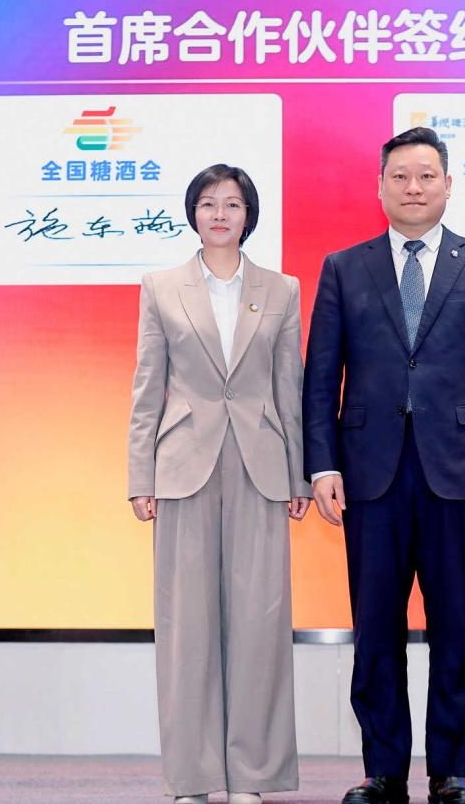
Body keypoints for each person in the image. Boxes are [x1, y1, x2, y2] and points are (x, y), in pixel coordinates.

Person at [303, 128, 465, 804]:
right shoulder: (344, 267)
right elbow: (320, 379)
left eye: (426, 175)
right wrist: (321, 465)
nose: (413, 187)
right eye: (399, 176)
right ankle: (382, 770)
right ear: (379, 186)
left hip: (456, 471)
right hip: (367, 474)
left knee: (454, 625)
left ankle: (450, 771)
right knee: (376, 626)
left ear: (447, 185)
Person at [128, 164, 311, 804]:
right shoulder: (161, 287)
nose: (220, 215)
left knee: (261, 621)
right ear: (193, 214)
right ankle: (193, 777)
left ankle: (252, 777)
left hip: (262, 464)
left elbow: (291, 388)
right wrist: (140, 475)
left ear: (248, 215)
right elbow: (147, 388)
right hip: (183, 466)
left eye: (232, 204)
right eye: (208, 204)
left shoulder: (282, 288)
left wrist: (299, 473)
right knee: (187, 626)